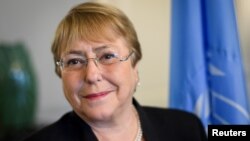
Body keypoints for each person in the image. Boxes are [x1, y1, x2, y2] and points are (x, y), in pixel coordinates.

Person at [23, 2, 207, 141]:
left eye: (107, 56)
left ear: (135, 66)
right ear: (60, 72)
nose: (92, 75)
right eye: (75, 61)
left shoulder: (187, 128)